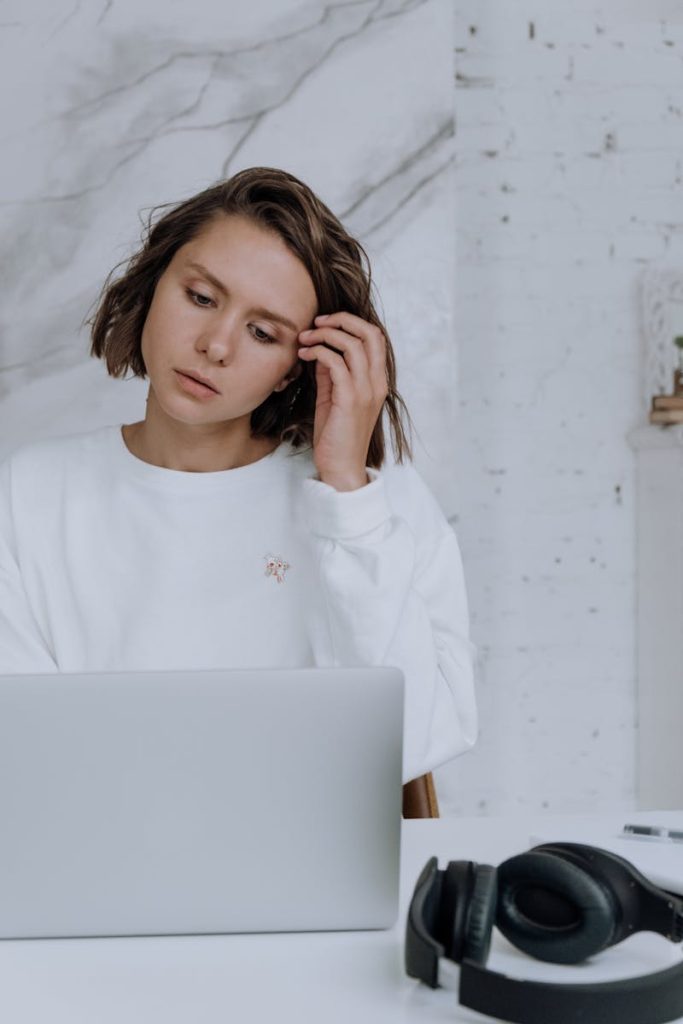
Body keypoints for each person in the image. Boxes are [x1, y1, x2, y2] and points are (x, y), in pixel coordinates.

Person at [0, 166, 476, 783]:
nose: (216, 345)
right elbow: (24, 755)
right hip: (93, 840)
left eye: (262, 333)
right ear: (153, 283)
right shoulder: (29, 494)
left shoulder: (374, 503)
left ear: (294, 367)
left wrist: (346, 497)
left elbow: (414, 744)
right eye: (201, 298)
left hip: (309, 841)